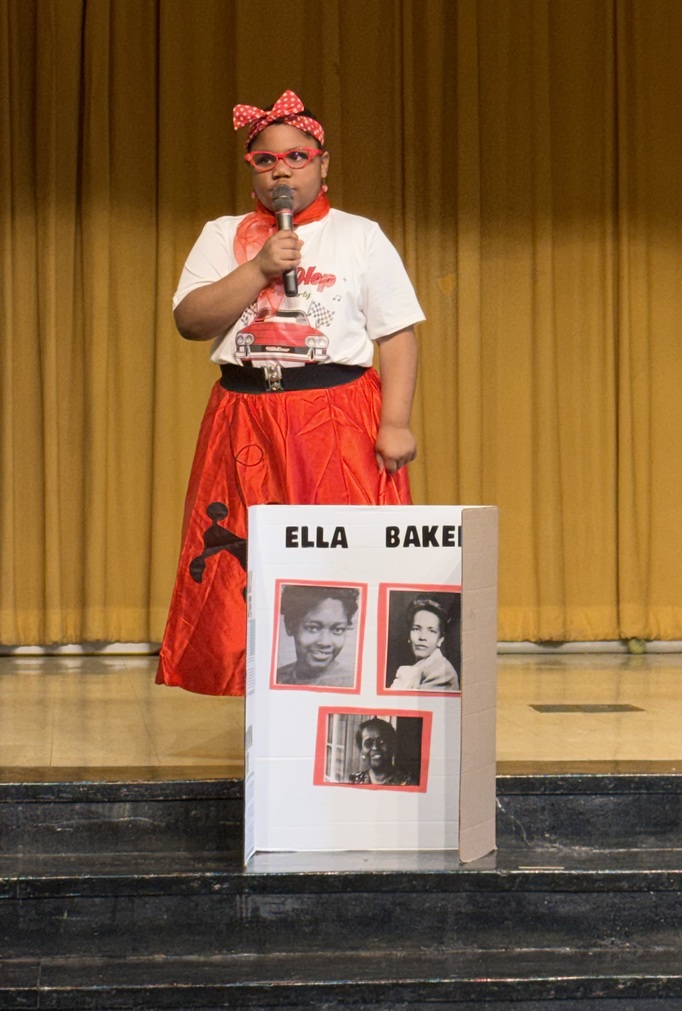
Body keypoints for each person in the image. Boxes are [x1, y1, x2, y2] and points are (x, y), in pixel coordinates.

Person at [156, 90, 424, 696]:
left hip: (335, 414)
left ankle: (348, 691)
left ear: (323, 164)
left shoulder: (359, 235)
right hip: (244, 413)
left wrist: (397, 420)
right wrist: (257, 269)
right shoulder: (223, 236)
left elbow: (397, 335)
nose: (282, 169)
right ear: (253, 169)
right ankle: (263, 700)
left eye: (298, 157)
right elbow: (191, 320)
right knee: (244, 562)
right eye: (266, 160)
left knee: (339, 559)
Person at [275, 585, 358, 687]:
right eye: (313, 628)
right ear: (290, 625)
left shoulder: (352, 682)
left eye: (337, 629)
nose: (325, 642)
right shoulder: (278, 677)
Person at [391, 596, 459, 691]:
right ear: (409, 635)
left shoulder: (443, 672)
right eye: (416, 629)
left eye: (431, 631)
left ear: (440, 640)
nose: (422, 637)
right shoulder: (420, 667)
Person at [348, 718, 416, 786]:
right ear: (362, 751)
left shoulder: (408, 783)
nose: (375, 747)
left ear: (392, 746)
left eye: (381, 741)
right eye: (368, 744)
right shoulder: (354, 781)